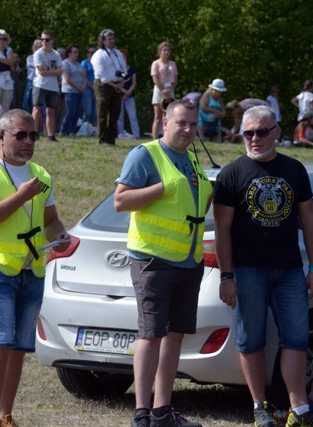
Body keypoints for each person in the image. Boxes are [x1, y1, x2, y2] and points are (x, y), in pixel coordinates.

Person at [213, 105, 313, 427]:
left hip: (290, 271)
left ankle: (300, 411)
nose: (255, 138)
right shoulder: (231, 174)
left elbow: (309, 219)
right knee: (250, 339)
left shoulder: (294, 169)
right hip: (247, 270)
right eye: (248, 133)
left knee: (296, 338)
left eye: (262, 131)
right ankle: (259, 408)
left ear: (277, 132)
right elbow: (222, 229)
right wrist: (227, 276)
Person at [0, 108, 70, 427]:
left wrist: (61, 237)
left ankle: (6, 416)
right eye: (20, 135)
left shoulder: (42, 174)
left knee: (19, 348)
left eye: (33, 135)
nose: (28, 141)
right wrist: (21, 196)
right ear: (0, 136)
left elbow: (51, 221)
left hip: (32, 269)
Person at [115, 99, 211, 427]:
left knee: (175, 336)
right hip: (152, 261)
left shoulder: (193, 160)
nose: (188, 130)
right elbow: (121, 200)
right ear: (165, 122)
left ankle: (162, 411)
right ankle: (142, 414)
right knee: (151, 334)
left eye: (193, 125)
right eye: (181, 123)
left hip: (189, 260)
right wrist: (161, 188)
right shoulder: (146, 154)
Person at [91, 28, 127, 145]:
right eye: (109, 39)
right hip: (103, 86)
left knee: (115, 113)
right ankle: (102, 139)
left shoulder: (118, 53)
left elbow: (124, 70)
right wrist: (114, 85)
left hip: (117, 85)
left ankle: (111, 139)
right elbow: (102, 75)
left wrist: (120, 84)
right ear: (103, 41)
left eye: (113, 38)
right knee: (102, 112)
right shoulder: (98, 55)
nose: (112, 41)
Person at [32, 30, 62, 142]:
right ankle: (34, 134)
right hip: (40, 84)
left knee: (51, 111)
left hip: (53, 86)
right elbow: (41, 72)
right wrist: (52, 70)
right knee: (37, 109)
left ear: (52, 41)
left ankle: (51, 135)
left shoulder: (56, 54)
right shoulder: (38, 54)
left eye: (47, 39)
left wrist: (48, 69)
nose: (44, 41)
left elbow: (60, 71)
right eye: (42, 39)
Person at [151, 41, 178, 140]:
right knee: (158, 117)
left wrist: (169, 90)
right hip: (159, 90)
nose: (166, 52)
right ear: (160, 51)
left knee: (168, 116)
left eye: (168, 50)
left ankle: (166, 138)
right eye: (164, 50)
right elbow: (155, 78)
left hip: (170, 90)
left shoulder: (173, 64)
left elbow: (175, 80)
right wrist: (163, 90)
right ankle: (154, 139)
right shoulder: (156, 63)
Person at [60, 43, 85, 136]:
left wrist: (83, 86)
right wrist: (78, 87)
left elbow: (83, 77)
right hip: (70, 91)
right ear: (69, 53)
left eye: (77, 52)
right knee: (71, 112)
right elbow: (67, 78)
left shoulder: (79, 65)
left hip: (79, 91)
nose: (77, 54)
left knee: (77, 112)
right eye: (74, 52)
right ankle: (62, 131)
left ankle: (71, 131)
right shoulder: (65, 63)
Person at [117, 49, 139, 138]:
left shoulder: (131, 69)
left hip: (130, 96)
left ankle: (136, 135)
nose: (123, 58)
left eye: (124, 56)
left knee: (133, 116)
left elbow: (134, 83)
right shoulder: (117, 70)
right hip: (119, 96)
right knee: (120, 117)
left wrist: (128, 92)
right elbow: (116, 83)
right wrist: (124, 91)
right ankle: (120, 134)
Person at [198, 78, 227, 142]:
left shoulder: (219, 99)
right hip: (204, 123)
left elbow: (223, 111)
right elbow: (202, 107)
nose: (220, 93)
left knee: (217, 142)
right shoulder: (207, 95)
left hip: (215, 124)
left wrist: (221, 114)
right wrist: (216, 111)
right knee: (205, 142)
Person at [22, 39, 41, 113]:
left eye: (39, 47)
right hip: (30, 81)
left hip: (38, 82)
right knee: (26, 102)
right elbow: (36, 66)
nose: (37, 49)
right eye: (36, 47)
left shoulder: (43, 59)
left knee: (35, 103)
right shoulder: (30, 58)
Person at [81, 45, 97, 126]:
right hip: (87, 89)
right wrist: (94, 89)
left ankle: (96, 131)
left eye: (93, 52)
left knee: (96, 112)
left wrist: (96, 90)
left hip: (97, 89)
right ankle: (84, 130)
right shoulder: (84, 63)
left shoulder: (98, 63)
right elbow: (84, 78)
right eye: (89, 52)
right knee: (87, 111)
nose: (91, 54)